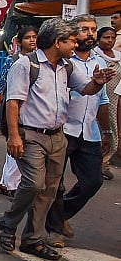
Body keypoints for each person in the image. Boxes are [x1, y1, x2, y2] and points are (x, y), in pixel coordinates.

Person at [0, 18, 113, 261]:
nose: (75, 44)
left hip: (58, 136)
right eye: (70, 40)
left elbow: (87, 89)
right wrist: (15, 135)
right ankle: (8, 223)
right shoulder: (27, 65)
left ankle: (33, 239)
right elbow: (13, 102)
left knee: (49, 190)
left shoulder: (67, 66)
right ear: (57, 42)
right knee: (34, 184)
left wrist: (98, 82)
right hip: (32, 135)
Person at [43, 15, 113, 247]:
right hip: (63, 129)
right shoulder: (63, 61)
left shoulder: (99, 62)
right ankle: (54, 231)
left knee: (93, 181)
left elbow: (102, 100)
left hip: (89, 131)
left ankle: (62, 215)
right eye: (84, 30)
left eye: (93, 29)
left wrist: (107, 132)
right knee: (56, 182)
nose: (90, 34)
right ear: (72, 34)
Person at [0, 26, 38, 196]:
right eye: (28, 37)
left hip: (30, 110)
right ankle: (12, 185)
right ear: (19, 41)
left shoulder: (38, 62)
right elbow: (1, 87)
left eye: (34, 37)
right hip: (11, 108)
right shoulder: (12, 60)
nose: (32, 40)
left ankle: (6, 182)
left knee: (20, 147)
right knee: (16, 146)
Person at [93, 26, 121, 178]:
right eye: (106, 37)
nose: (110, 40)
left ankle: (104, 163)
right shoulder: (95, 57)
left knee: (113, 134)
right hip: (97, 99)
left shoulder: (118, 57)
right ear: (99, 39)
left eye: (112, 37)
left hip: (114, 100)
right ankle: (98, 164)